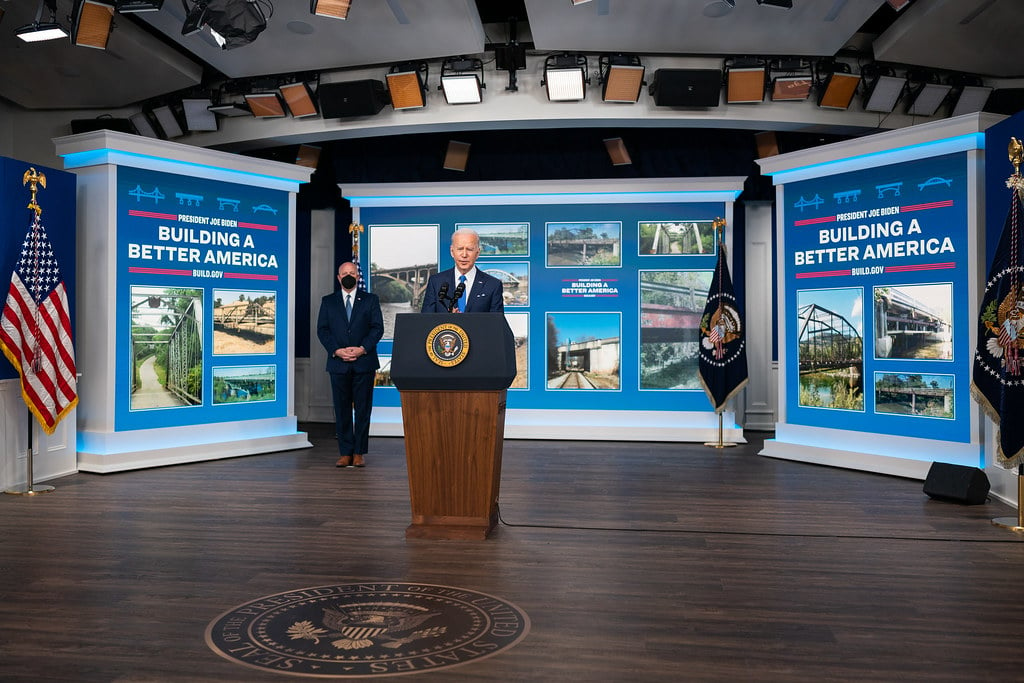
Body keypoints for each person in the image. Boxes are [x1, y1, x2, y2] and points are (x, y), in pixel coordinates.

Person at [317, 262, 384, 468]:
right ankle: (345, 452)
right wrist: (337, 350)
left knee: (363, 410)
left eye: (352, 273)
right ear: (338, 278)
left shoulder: (371, 300)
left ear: (357, 276)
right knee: (342, 409)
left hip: (364, 362)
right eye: (344, 273)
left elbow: (377, 328)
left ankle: (359, 452)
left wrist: (362, 348)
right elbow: (323, 330)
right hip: (338, 364)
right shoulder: (328, 301)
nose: (348, 276)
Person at [421, 228, 504, 313]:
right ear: (452, 251)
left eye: (469, 249)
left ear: (478, 253)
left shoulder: (493, 285)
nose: (464, 255)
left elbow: (496, 324)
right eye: (460, 249)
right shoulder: (436, 282)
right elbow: (425, 322)